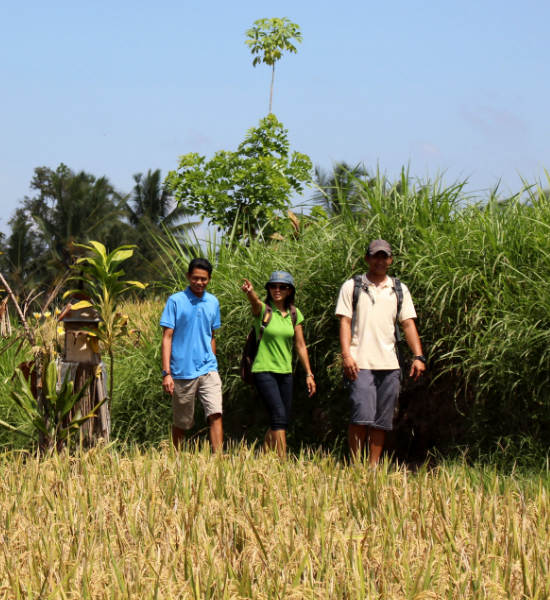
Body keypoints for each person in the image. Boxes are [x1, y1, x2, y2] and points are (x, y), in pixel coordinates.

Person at [335, 239, 426, 465]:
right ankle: (356, 466)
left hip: (390, 365)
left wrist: (418, 356)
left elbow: (407, 324)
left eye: (384, 256)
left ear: (391, 260)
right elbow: (345, 322)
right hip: (359, 362)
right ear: (367, 259)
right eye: (376, 256)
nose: (380, 261)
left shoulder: (398, 289)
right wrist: (346, 355)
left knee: (381, 421)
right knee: (360, 416)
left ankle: (373, 468)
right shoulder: (352, 286)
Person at [241, 271, 316, 457]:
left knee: (282, 419)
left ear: (289, 291)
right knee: (279, 415)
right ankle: (282, 463)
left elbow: (300, 345)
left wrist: (309, 373)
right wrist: (250, 292)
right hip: (264, 369)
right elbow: (255, 302)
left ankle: (262, 456)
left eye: (282, 287)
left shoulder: (294, 314)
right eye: (273, 286)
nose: (277, 290)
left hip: (286, 371)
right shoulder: (264, 311)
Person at [160, 257, 223, 451]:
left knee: (216, 413)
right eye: (195, 278)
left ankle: (219, 462)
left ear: (209, 279)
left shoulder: (213, 302)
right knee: (182, 422)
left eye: (203, 279)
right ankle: (176, 459)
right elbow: (167, 337)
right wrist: (166, 373)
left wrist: (214, 361)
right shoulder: (176, 301)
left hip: (208, 369)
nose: (199, 282)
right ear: (188, 277)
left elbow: (211, 335)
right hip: (182, 372)